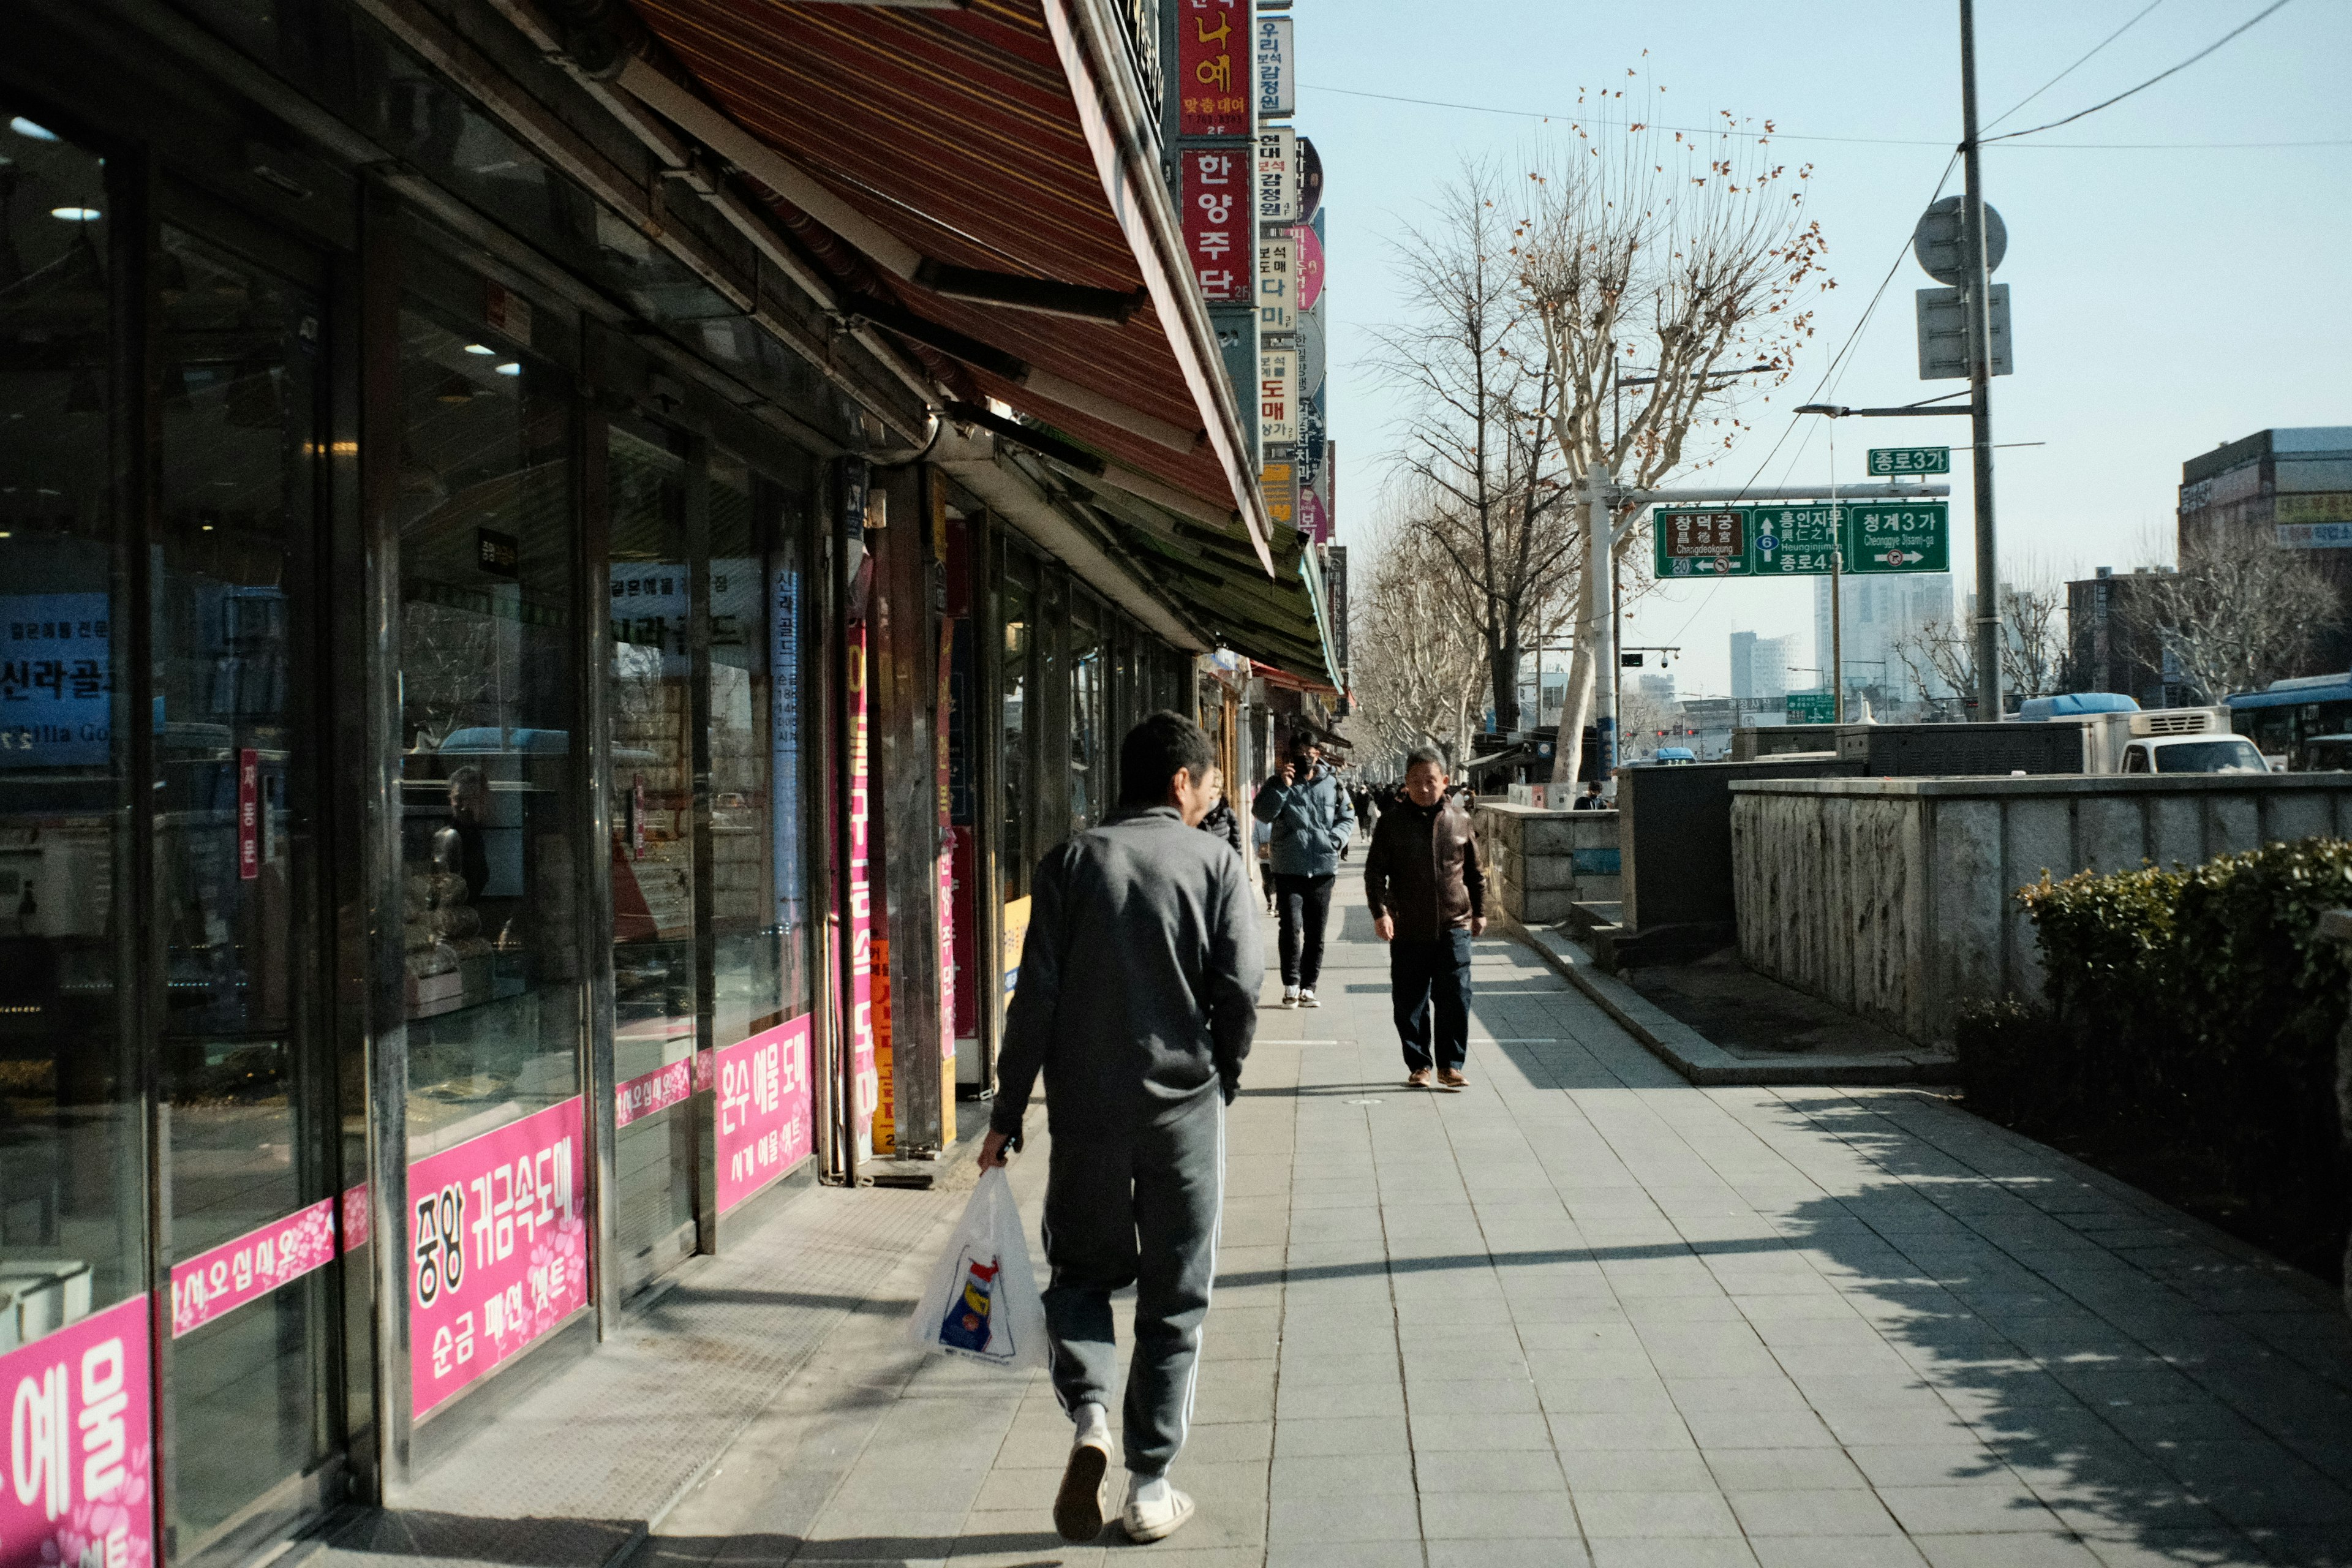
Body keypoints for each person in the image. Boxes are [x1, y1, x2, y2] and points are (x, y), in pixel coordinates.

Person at [981, 711, 1259, 1547]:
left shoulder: (1070, 861)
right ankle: (1149, 1484)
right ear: (1181, 783)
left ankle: (1092, 1415)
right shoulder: (1215, 862)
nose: (1212, 799)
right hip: (1183, 1111)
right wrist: (1226, 1077)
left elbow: (1035, 1000)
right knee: (1176, 1296)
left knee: (1079, 1275)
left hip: (1087, 1118)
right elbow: (1241, 990)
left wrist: (1004, 1116)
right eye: (1209, 784)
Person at [1365, 747, 1485, 1090]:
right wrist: (1381, 913)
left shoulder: (1460, 820)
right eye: (1416, 781)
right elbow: (1375, 874)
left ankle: (1451, 1065)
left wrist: (1480, 911)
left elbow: (1475, 874)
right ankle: (1419, 1064)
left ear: (1445, 782)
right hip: (1408, 926)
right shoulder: (1391, 823)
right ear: (1406, 783)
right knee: (1410, 999)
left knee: (1456, 995)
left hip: (1455, 923)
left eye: (1430, 781)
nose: (1424, 787)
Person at [1250, 736, 1352, 1007]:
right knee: (1290, 927)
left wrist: (1335, 841)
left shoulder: (1333, 784)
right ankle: (1291, 985)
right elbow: (1261, 813)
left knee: (1316, 931)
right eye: (1299, 752)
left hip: (1322, 867)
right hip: (1287, 868)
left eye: (1310, 752)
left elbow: (1347, 816)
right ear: (1290, 756)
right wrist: (1281, 788)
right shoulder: (1277, 783)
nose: (1305, 757)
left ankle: (1309, 987)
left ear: (1318, 754)